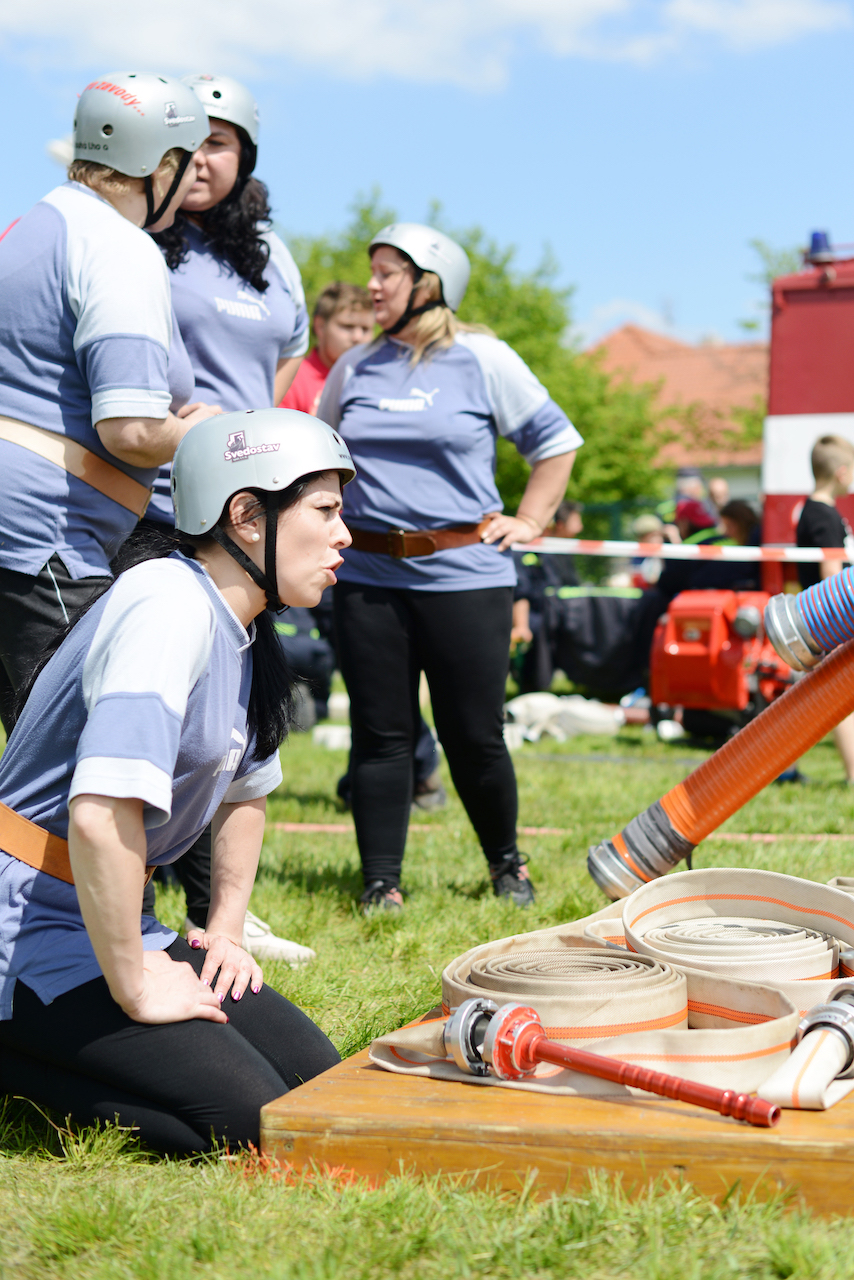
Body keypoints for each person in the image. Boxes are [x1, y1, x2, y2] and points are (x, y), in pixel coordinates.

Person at [0, 409, 352, 1155]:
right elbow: (100, 815)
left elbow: (245, 792)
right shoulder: (169, 603)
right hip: (24, 926)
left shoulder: (242, 623)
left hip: (112, 917)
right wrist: (136, 983)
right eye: (325, 510)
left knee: (316, 1086)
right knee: (252, 1127)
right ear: (247, 516)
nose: (344, 534)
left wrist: (225, 931)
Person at [318, 223, 581, 910]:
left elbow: (556, 442)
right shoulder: (355, 366)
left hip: (467, 576)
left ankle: (507, 868)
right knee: (380, 735)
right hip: (368, 578)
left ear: (429, 284)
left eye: (388, 273)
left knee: (473, 735)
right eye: (373, 271)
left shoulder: (483, 358)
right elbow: (320, 456)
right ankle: (381, 883)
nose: (373, 285)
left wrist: (530, 521)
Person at [147, 74, 314, 961]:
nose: (203, 159)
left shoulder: (272, 254)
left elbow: (285, 361)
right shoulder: (145, 238)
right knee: (168, 708)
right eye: (190, 143)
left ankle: (224, 914)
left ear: (245, 157)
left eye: (221, 143)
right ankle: (136, 906)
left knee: (247, 707)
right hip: (155, 506)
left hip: (251, 514)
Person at [0, 73, 217, 732]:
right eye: (188, 160)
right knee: (76, 754)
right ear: (159, 163)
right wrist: (201, 433)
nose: (195, 176)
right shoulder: (118, 246)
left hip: (15, 533)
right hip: (47, 540)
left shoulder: (30, 227)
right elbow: (130, 430)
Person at [796, 434, 854, 782]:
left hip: (829, 623)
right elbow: (832, 576)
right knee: (840, 701)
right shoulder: (823, 516)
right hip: (832, 623)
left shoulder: (818, 511)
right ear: (841, 472)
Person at [511, 501, 584, 693]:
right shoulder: (522, 550)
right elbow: (521, 592)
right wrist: (521, 626)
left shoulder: (556, 551)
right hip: (536, 617)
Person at [281, 282, 375, 415]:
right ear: (320, 326)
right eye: (348, 326)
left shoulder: (376, 378)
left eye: (365, 329)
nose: (358, 337)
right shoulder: (291, 379)